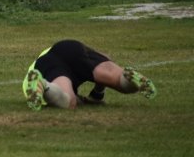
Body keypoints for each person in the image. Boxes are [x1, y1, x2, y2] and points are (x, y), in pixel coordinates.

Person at [22, 39, 157, 110]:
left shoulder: (33, 75)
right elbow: (105, 56)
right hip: (68, 47)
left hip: (47, 64)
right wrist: (97, 94)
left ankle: (44, 85)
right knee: (114, 77)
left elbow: (74, 100)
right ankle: (127, 76)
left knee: (68, 100)